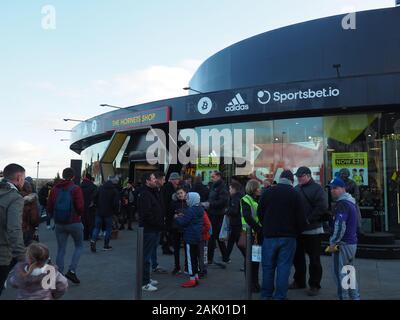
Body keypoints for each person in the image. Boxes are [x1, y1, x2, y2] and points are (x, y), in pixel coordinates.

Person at [257, 170, 307, 300]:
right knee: (284, 267)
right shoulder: (295, 195)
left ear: (280, 179)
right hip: (288, 237)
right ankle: (280, 296)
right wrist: (296, 231)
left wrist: (266, 226)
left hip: (269, 236)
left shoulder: (267, 192)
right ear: (291, 181)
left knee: (268, 267)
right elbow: (301, 218)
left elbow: (260, 213)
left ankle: (266, 295)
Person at [290, 166, 328, 296]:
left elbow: (322, 207)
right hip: (298, 231)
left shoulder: (317, 189)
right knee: (297, 258)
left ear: (308, 175)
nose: (298, 178)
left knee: (314, 260)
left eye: (300, 176)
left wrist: (308, 220)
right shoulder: (296, 189)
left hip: (313, 231)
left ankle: (314, 285)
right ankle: (299, 281)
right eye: (297, 176)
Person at [47, 167, 84, 284]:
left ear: (62, 175)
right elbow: (80, 206)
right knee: (79, 246)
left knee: (61, 249)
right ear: (73, 176)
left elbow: (49, 207)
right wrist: (79, 215)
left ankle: (59, 275)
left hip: (59, 224)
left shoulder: (54, 189)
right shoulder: (76, 188)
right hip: (74, 222)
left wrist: (54, 217)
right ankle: (71, 271)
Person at [327, 177, 360, 300]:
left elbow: (340, 226)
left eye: (335, 188)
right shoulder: (350, 202)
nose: (332, 191)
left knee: (340, 275)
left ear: (343, 189)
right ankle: (355, 297)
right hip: (351, 243)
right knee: (350, 273)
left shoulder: (342, 204)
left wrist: (333, 242)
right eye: (331, 189)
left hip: (342, 244)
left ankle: (344, 297)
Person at [0, 164, 26, 296]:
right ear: (18, 177)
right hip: (2, 254)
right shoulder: (15, 198)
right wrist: (22, 256)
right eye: (23, 178)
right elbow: (14, 229)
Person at [137, 172, 164, 292]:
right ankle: (144, 282)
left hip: (155, 229)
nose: (156, 180)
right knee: (146, 257)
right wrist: (157, 223)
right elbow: (146, 214)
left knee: (148, 255)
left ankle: (147, 278)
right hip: (149, 230)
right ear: (147, 181)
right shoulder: (144, 194)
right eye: (153, 179)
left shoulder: (153, 192)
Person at [174, 192, 204, 288]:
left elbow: (183, 222)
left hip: (190, 236)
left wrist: (177, 218)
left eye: (187, 198)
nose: (186, 200)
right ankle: (195, 276)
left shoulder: (191, 210)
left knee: (190, 258)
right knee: (195, 256)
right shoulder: (200, 209)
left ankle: (192, 278)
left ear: (192, 199)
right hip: (197, 236)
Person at [241, 179, 263, 293]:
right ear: (253, 189)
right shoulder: (246, 199)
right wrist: (258, 228)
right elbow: (247, 216)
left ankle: (255, 283)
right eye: (258, 187)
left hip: (256, 235)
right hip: (249, 234)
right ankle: (250, 284)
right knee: (249, 261)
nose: (260, 189)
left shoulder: (258, 199)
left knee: (256, 260)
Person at [204, 171, 230, 266]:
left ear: (218, 176)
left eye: (213, 176)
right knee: (217, 237)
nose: (211, 178)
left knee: (213, 236)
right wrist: (208, 203)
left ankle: (211, 258)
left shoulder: (221, 187)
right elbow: (212, 198)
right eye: (211, 177)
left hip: (218, 214)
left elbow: (223, 201)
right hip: (214, 213)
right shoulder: (215, 186)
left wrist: (210, 204)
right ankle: (225, 257)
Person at [90, 176, 120, 252]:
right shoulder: (114, 191)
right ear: (114, 182)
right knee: (108, 229)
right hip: (109, 212)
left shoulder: (100, 188)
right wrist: (115, 212)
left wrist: (97, 205)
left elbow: (94, 197)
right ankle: (106, 245)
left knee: (97, 227)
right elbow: (116, 203)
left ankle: (93, 240)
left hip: (99, 211)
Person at [151, 171, 168, 274]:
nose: (164, 181)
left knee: (154, 246)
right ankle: (151, 268)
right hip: (153, 225)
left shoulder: (159, 190)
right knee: (151, 247)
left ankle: (154, 265)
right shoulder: (152, 191)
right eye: (163, 179)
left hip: (158, 223)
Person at [161, 172, 181, 255]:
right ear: (173, 180)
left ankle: (167, 246)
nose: (178, 180)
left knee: (169, 231)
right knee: (168, 231)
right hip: (168, 213)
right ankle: (166, 247)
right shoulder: (168, 188)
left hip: (169, 212)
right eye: (177, 179)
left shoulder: (171, 187)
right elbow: (166, 201)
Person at [170, 185, 189, 275]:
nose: (180, 195)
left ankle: (187, 266)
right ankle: (177, 267)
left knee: (186, 248)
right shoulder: (173, 203)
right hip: (176, 228)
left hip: (186, 228)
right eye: (178, 194)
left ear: (185, 193)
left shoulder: (188, 203)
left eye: (181, 193)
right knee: (176, 248)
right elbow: (169, 214)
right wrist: (174, 216)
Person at [226, 181, 245, 261]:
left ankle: (247, 259)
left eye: (230, 189)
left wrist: (227, 211)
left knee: (239, 243)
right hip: (237, 223)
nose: (229, 190)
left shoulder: (235, 198)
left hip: (236, 223)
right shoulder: (241, 196)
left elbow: (234, 211)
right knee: (231, 241)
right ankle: (226, 257)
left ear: (234, 189)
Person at [21, 182, 40, 246]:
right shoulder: (31, 200)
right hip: (27, 229)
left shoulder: (14, 197)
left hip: (14, 229)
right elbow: (34, 218)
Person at [80, 174, 98, 240]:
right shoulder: (93, 187)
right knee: (91, 222)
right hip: (91, 207)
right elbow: (95, 197)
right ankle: (92, 235)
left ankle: (85, 236)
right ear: (90, 179)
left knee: (84, 222)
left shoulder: (80, 186)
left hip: (82, 207)